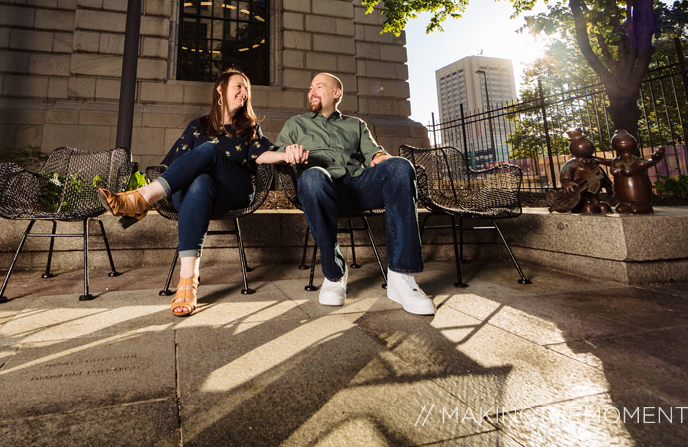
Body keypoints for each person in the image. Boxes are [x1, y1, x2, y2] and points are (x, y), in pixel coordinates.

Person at [98, 69, 304, 317]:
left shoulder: (249, 128)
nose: (244, 92)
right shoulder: (197, 126)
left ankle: (142, 198)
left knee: (209, 150)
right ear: (220, 89)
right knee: (200, 182)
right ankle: (187, 284)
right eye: (239, 86)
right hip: (194, 195)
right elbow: (173, 166)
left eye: (247, 89)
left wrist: (285, 154)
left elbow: (263, 155)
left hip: (234, 192)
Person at [275, 72, 436, 316]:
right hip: (320, 189)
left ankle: (400, 276)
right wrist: (289, 152)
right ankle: (334, 273)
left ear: (336, 93)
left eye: (319, 87)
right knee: (311, 176)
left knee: (401, 166)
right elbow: (278, 154)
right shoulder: (296, 124)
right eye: (310, 88)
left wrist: (381, 158)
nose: (311, 92)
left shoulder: (356, 125)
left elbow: (375, 153)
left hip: (358, 187)